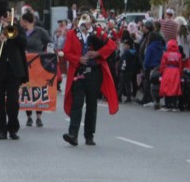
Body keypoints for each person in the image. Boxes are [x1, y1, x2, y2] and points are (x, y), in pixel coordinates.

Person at [62, 16, 118, 146]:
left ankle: (89, 135)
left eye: (87, 20)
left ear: (91, 22)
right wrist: (78, 59)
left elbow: (112, 45)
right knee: (77, 103)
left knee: (92, 104)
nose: (84, 22)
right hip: (79, 72)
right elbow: (66, 52)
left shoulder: (99, 33)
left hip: (94, 72)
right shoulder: (72, 34)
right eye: (82, 19)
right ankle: (73, 134)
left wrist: (98, 53)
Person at [0, 2, 28, 141]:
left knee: (13, 102)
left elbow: (24, 43)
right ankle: (1, 130)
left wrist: (11, 33)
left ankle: (13, 128)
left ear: (9, 15)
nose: (2, 18)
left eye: (5, 15)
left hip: (13, 70)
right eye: (0, 15)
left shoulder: (16, 28)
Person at [20, 11, 52, 128]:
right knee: (27, 89)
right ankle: (29, 116)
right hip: (25, 64)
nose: (21, 24)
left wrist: (49, 56)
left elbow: (50, 43)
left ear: (26, 21)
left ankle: (38, 116)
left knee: (38, 88)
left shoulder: (40, 32)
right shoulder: (21, 33)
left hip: (39, 65)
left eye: (22, 21)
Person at [158, 38, 188, 111]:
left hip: (167, 71)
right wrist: (180, 74)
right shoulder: (179, 55)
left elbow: (163, 65)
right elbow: (180, 65)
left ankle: (168, 105)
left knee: (167, 87)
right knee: (175, 88)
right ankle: (174, 105)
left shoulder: (166, 54)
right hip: (176, 72)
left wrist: (161, 72)